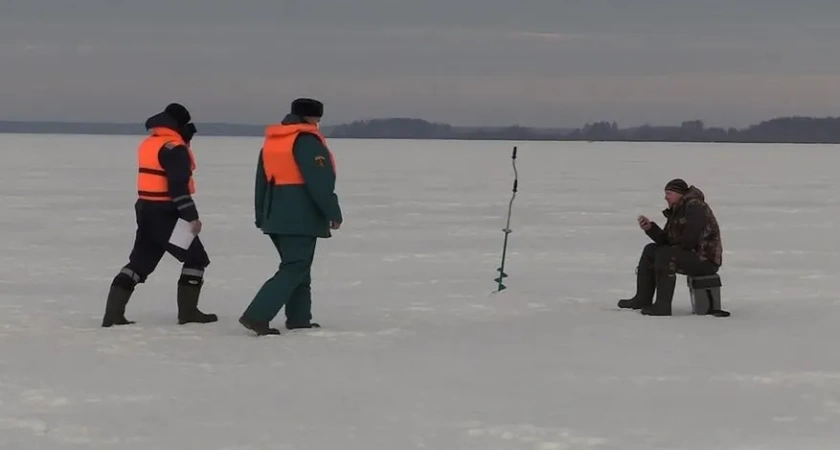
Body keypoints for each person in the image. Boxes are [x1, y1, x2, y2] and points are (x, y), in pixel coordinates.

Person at [101, 103, 217, 327]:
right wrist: (191, 216)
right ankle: (188, 313)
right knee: (196, 258)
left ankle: (112, 315)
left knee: (139, 263)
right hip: (167, 213)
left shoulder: (151, 142)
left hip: (146, 209)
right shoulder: (174, 148)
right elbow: (177, 185)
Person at [239, 98, 343, 336]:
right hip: (300, 216)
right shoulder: (306, 142)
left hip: (275, 215)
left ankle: (299, 319)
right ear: (310, 117)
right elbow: (320, 183)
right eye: (317, 117)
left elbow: (260, 182)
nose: (318, 122)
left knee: (300, 268)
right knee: (295, 267)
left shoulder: (273, 142)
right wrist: (333, 212)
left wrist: (261, 215)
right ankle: (257, 315)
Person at [617, 178, 723, 316]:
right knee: (651, 250)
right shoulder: (678, 210)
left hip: (705, 260)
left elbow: (690, 239)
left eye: (669, 193)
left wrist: (669, 248)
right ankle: (642, 299)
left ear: (680, 194)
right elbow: (667, 240)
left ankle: (663, 306)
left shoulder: (695, 206)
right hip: (689, 255)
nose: (665, 197)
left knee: (666, 254)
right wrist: (651, 229)